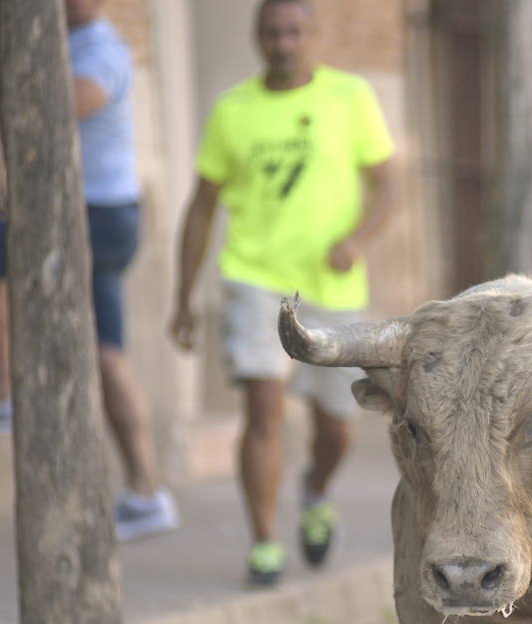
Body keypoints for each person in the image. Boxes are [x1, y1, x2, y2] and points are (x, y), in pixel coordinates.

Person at [0, 0, 179, 543]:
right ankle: (147, 493)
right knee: (108, 355)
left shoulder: (104, 49)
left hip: (92, 214)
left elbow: (64, 101)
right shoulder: (77, 41)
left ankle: (0, 394)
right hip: (103, 213)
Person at [170, 0, 396, 587]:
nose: (283, 43)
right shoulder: (233, 110)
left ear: (314, 35)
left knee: (336, 426)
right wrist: (182, 296)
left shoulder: (350, 99)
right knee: (263, 409)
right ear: (257, 38)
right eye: (272, 33)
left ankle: (316, 491)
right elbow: (200, 207)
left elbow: (390, 184)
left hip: (333, 285)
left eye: (295, 32)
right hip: (254, 277)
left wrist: (359, 239)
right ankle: (265, 541)